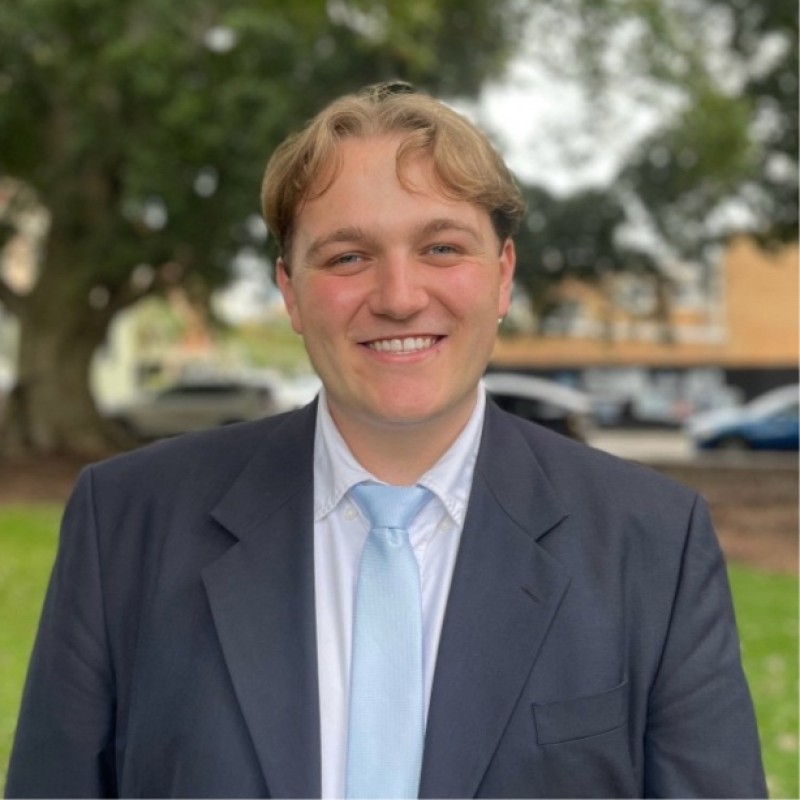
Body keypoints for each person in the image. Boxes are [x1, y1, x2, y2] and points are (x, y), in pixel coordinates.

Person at [6, 82, 766, 799]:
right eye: (347, 257)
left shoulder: (652, 543)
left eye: (441, 248)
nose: (400, 298)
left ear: (502, 277)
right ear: (290, 292)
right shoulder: (129, 522)